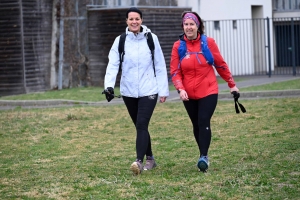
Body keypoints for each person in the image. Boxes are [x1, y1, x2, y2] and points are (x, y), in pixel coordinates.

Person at [170, 11, 239, 172]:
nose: (189, 27)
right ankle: (203, 155)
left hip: (208, 90)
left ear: (197, 25)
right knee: (196, 124)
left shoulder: (208, 43)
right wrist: (180, 88)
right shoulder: (178, 46)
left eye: (191, 24)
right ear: (183, 26)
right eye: (186, 24)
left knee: (203, 120)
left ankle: (203, 156)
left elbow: (220, 64)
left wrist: (232, 84)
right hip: (188, 93)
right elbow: (175, 71)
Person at [103, 7, 169, 175]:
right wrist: (109, 86)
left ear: (141, 20)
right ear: (127, 21)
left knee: (141, 124)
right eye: (131, 19)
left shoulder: (151, 39)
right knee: (141, 126)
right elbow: (113, 64)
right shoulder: (121, 40)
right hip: (128, 91)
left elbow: (160, 65)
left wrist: (163, 90)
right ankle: (151, 158)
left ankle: (139, 162)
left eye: (137, 19)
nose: (134, 22)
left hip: (149, 89)